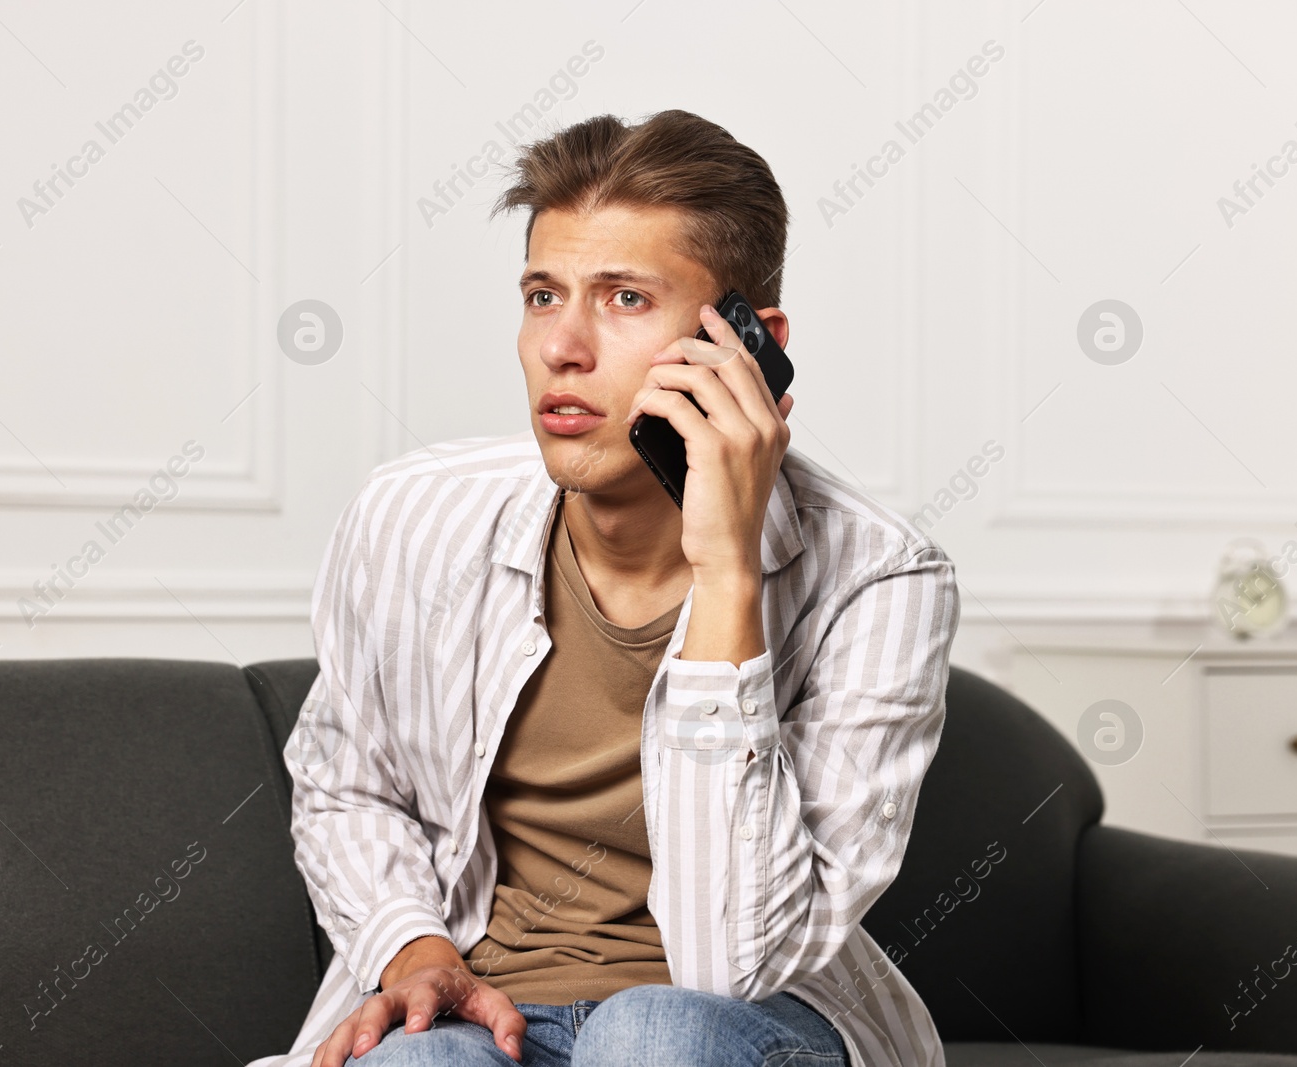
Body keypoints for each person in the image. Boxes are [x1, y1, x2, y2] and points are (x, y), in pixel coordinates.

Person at [248, 108, 959, 1067]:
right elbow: (346, 785)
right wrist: (414, 949)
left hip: (749, 1019)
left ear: (750, 343)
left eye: (625, 299)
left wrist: (727, 572)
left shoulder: (881, 578)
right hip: (487, 1003)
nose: (562, 347)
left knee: (650, 1033)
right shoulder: (411, 516)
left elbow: (733, 957)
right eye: (544, 295)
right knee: (420, 1059)